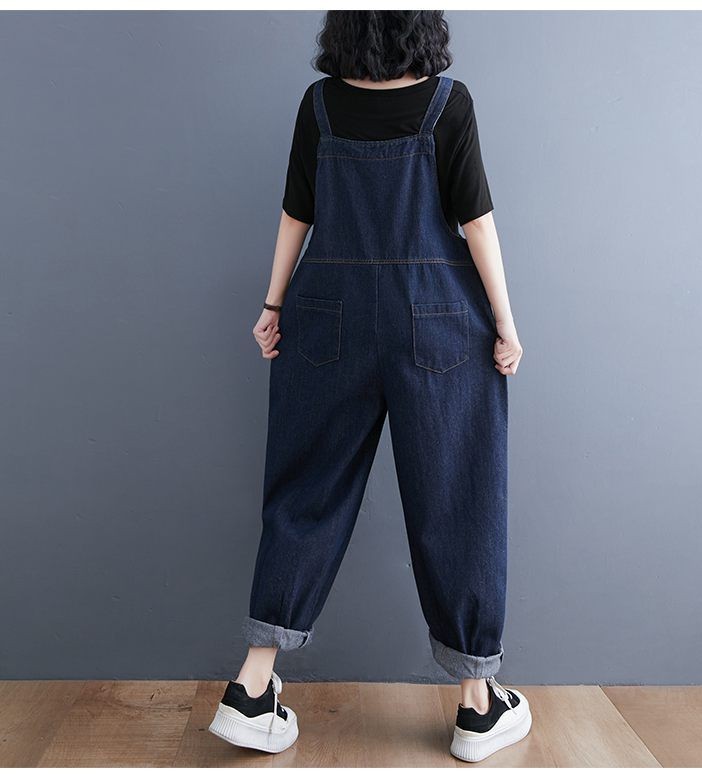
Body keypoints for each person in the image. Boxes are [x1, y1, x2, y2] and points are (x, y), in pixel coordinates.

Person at [209, 11, 531, 763]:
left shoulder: (319, 104)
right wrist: (506, 323)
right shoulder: (449, 103)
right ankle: (478, 705)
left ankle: (251, 689)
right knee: (456, 496)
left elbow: (298, 210)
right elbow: (477, 222)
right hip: (438, 317)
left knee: (306, 491)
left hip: (328, 314)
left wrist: (273, 304)